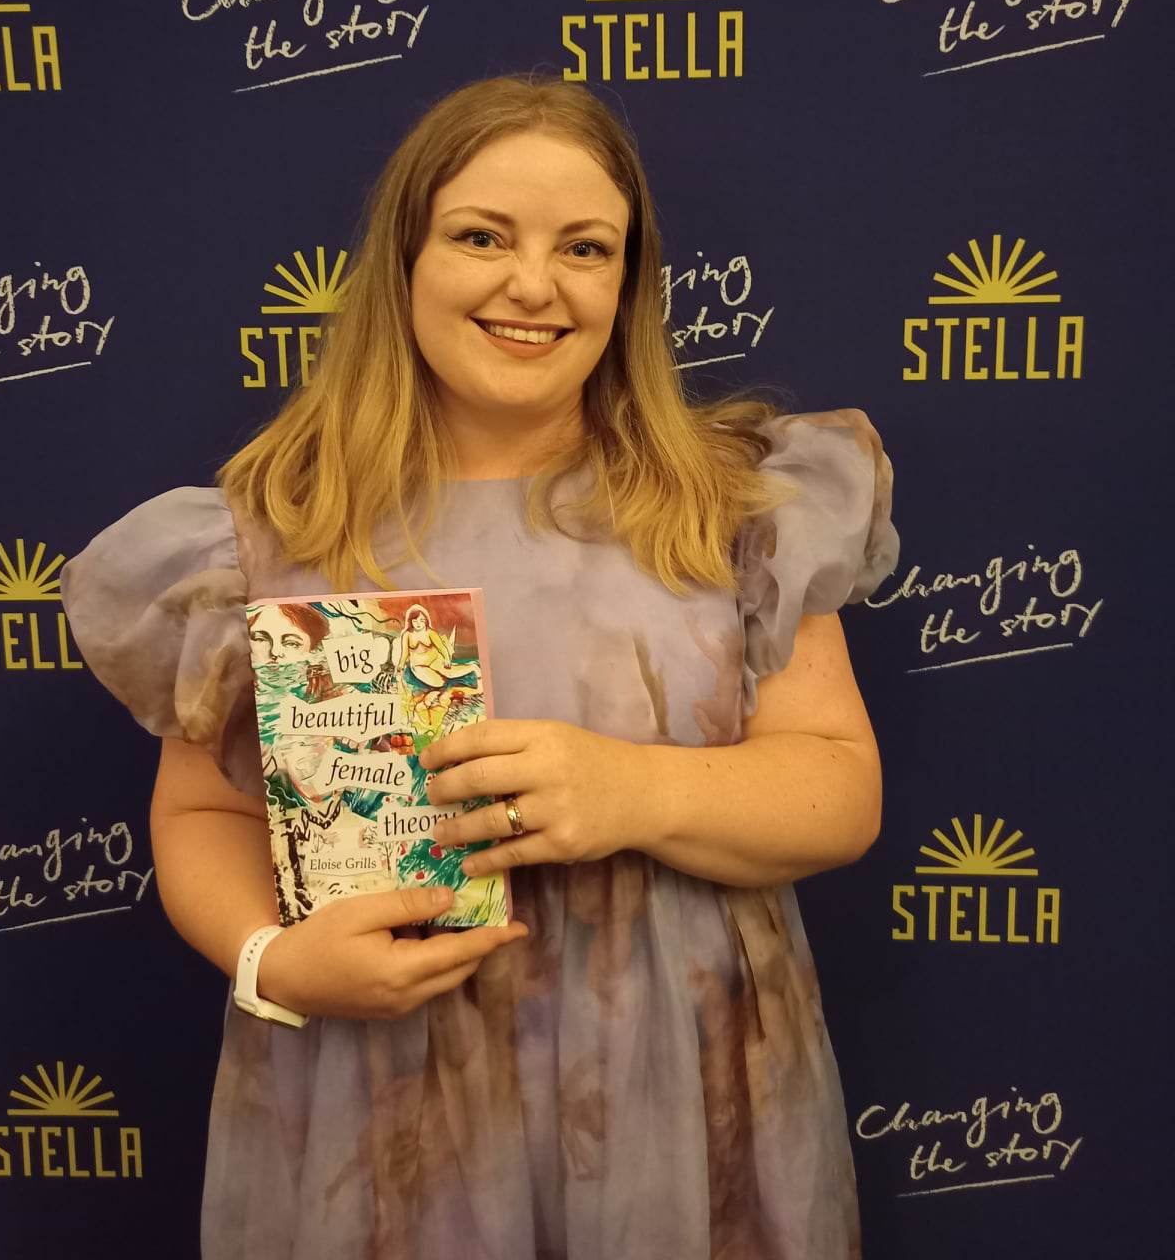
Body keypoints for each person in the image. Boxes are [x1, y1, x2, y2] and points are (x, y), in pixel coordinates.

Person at [61, 73, 899, 1260]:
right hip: (373, 1106)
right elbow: (199, 810)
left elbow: (839, 791)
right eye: (481, 237)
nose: (532, 285)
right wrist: (273, 959)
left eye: (585, 248)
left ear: (629, 282)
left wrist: (632, 791)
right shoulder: (269, 530)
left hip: (680, 1104)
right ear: (405, 258)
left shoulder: (732, 512)